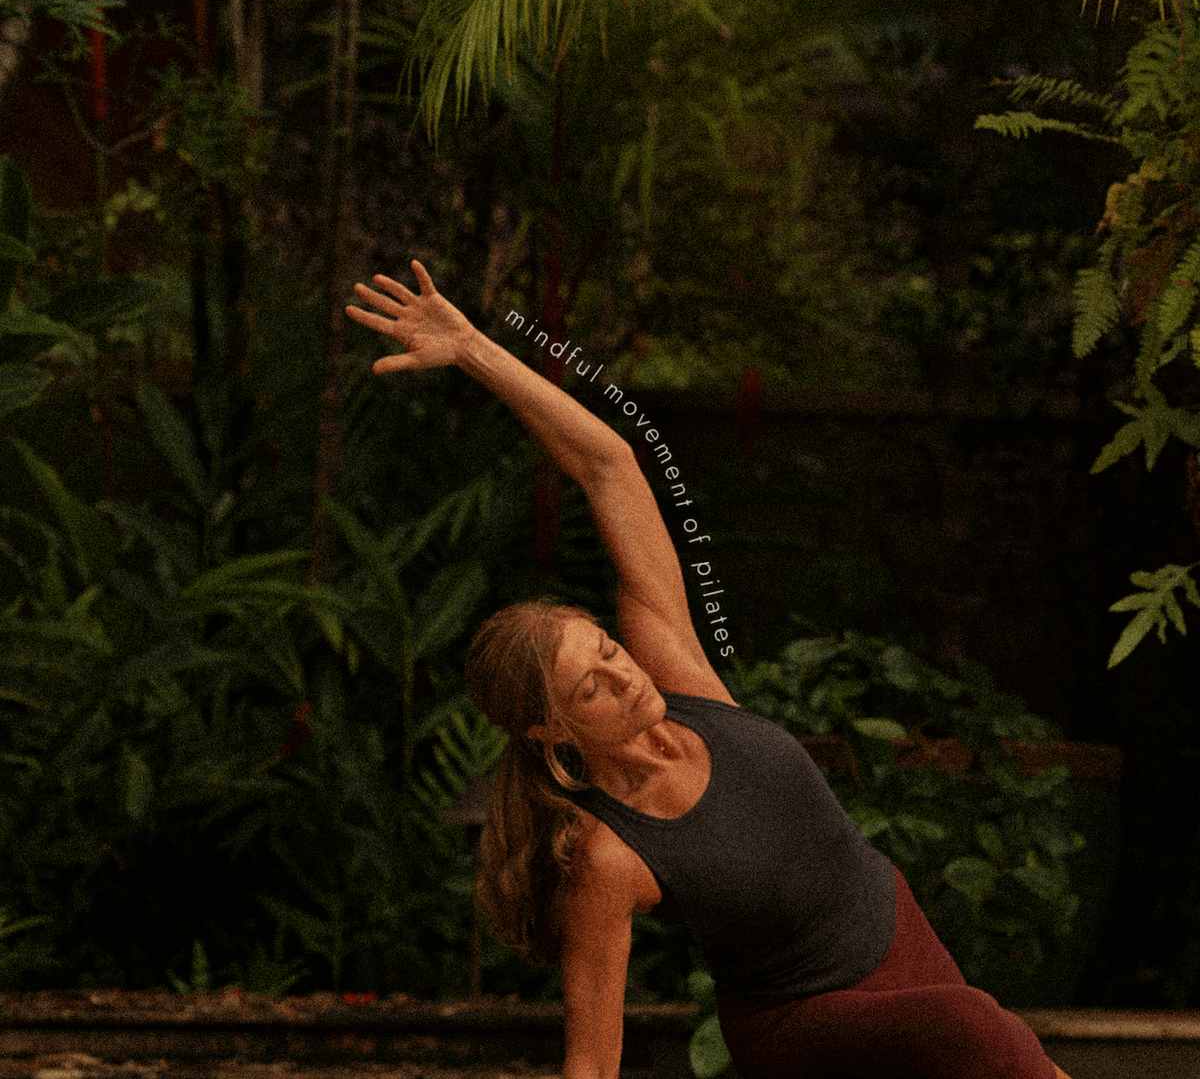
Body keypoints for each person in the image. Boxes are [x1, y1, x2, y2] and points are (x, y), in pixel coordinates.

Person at [346, 262, 1072, 1079]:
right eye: (591, 686)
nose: (624, 675)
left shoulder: (680, 678)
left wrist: (473, 347)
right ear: (551, 731)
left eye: (608, 650)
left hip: (905, 947)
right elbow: (592, 1062)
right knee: (985, 1031)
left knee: (992, 1039)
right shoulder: (609, 857)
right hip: (801, 1021)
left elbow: (611, 466)